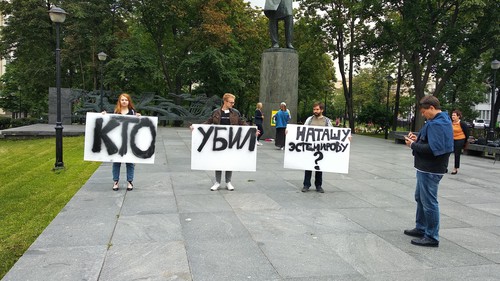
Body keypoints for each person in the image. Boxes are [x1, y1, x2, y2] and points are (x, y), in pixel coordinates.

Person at [404, 95, 453, 247]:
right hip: (429, 168)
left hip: (429, 169)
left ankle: (431, 236)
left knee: (429, 202)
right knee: (420, 197)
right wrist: (418, 137)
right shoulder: (441, 121)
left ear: (431, 108)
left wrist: (413, 145)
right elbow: (434, 141)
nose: (423, 115)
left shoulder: (436, 124)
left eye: (424, 112)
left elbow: (433, 148)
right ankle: (421, 228)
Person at [199, 93, 247, 191]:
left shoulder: (235, 112)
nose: (232, 104)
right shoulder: (216, 112)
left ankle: (228, 182)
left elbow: (242, 122)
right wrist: (196, 128)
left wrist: (253, 129)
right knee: (218, 161)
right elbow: (208, 122)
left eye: (233, 102)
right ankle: (217, 182)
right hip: (218, 142)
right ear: (225, 101)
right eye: (231, 102)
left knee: (229, 161)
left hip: (231, 141)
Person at [108, 93, 141, 191]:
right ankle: (115, 182)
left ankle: (130, 182)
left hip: (129, 141)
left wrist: (138, 117)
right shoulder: (116, 112)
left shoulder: (132, 112)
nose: (124, 101)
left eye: (126, 100)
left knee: (129, 162)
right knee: (116, 162)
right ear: (119, 101)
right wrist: (104, 115)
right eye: (122, 100)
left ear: (128, 101)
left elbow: (137, 125)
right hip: (117, 141)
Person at [301, 102, 333, 193]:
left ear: (322, 110)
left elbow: (333, 133)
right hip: (310, 148)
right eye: (314, 109)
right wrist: (290, 132)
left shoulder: (327, 121)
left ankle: (318, 185)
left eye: (317, 109)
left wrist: (346, 138)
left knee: (319, 167)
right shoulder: (309, 120)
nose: (315, 111)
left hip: (321, 148)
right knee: (308, 166)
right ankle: (306, 185)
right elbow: (302, 131)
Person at [450, 110, 469, 175]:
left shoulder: (462, 123)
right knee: (447, 152)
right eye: (452, 115)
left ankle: (455, 168)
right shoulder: (451, 123)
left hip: (460, 139)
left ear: (458, 116)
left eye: (454, 115)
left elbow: (467, 133)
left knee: (457, 153)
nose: (453, 116)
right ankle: (444, 167)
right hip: (452, 139)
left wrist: (465, 141)